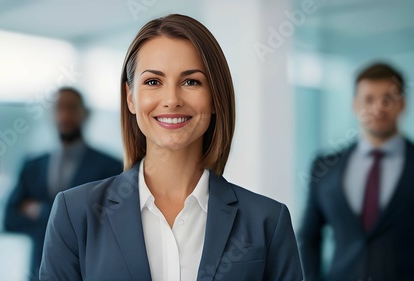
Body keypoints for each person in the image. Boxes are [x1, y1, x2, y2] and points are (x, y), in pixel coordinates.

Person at [40, 14, 302, 281]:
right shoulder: (74, 214)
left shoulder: (267, 220)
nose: (172, 100)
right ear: (131, 98)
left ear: (214, 97)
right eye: (153, 82)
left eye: (191, 82)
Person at [299, 62, 414, 280]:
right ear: (355, 105)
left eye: (388, 99)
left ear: (402, 104)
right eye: (369, 99)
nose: (378, 107)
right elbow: (309, 237)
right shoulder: (325, 166)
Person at [4, 87, 122, 280]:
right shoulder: (33, 166)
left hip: (89, 272)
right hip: (39, 271)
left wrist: (40, 211)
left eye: (71, 107)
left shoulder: (109, 167)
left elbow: (108, 223)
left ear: (85, 114)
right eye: (59, 108)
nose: (65, 115)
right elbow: (9, 218)